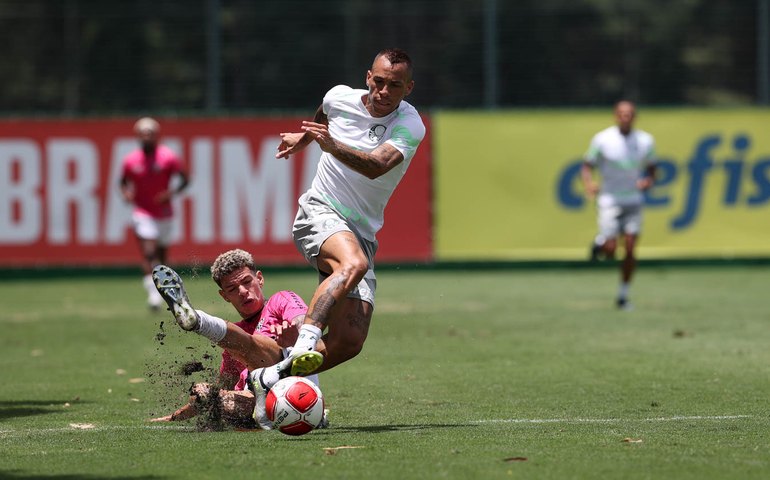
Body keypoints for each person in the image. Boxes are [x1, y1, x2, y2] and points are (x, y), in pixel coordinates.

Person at [242, 47, 426, 413]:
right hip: (320, 210)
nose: (384, 91)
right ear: (368, 78)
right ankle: (307, 342)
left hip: (361, 230)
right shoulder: (338, 96)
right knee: (352, 264)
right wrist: (304, 137)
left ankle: (269, 376)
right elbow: (323, 117)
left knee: (349, 341)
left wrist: (328, 144)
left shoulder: (410, 124)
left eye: (395, 85)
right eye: (379, 82)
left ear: (409, 88)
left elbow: (376, 166)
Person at [149, 249, 327, 429]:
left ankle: (198, 322)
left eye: (247, 282)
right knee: (203, 391)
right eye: (232, 289)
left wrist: (296, 338)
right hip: (256, 405)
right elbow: (222, 388)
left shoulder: (280, 300)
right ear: (224, 296)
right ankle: (259, 417)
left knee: (251, 344)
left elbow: (305, 323)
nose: (242, 291)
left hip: (296, 394)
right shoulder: (233, 343)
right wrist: (174, 417)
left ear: (260, 278)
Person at [581, 100, 656, 310]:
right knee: (611, 249)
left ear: (635, 116)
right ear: (615, 116)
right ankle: (600, 243)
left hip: (633, 200)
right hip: (610, 200)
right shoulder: (603, 139)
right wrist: (589, 183)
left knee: (631, 249)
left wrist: (648, 180)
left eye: (630, 113)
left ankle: (623, 295)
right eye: (622, 113)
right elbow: (587, 165)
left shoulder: (645, 141)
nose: (626, 117)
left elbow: (652, 168)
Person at [119, 117, 189, 311]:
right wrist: (126, 193)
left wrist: (171, 193)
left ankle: (166, 292)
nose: (146, 137)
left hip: (165, 213)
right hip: (143, 212)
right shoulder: (131, 160)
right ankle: (153, 295)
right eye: (143, 134)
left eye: (150, 134)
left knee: (163, 256)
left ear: (156, 136)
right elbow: (123, 181)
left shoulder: (168, 157)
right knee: (149, 253)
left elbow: (185, 179)